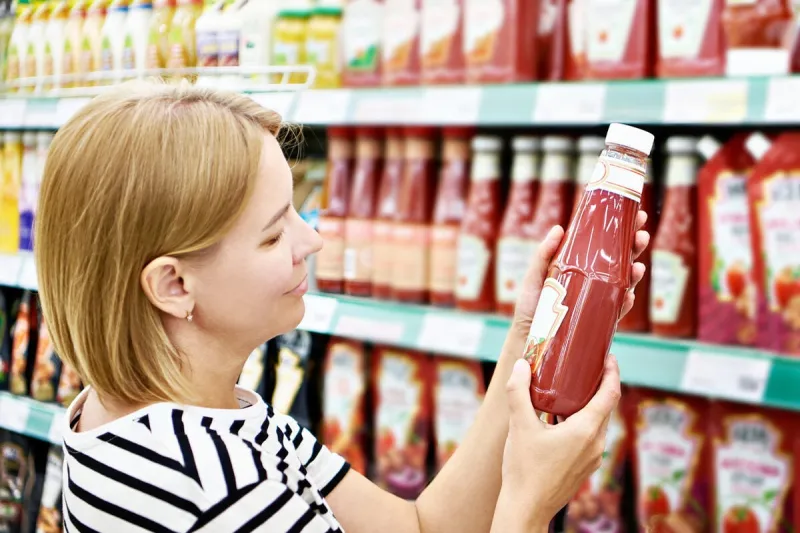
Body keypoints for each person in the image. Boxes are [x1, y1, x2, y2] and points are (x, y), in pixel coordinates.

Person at [35, 81, 649, 533]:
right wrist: (532, 504)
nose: (314, 240)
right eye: (275, 234)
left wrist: (528, 337)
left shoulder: (202, 416)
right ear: (173, 285)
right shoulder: (207, 481)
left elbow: (419, 529)